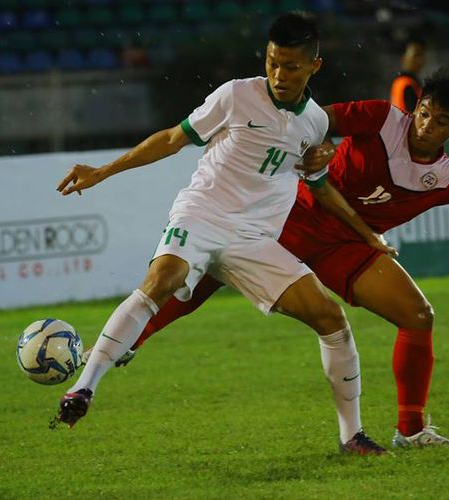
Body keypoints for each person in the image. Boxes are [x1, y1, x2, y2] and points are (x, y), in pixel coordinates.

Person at [103, 70, 449, 448]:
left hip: (349, 246)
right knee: (205, 274)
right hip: (291, 216)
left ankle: (412, 430)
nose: (426, 124)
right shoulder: (380, 117)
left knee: (417, 316)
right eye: (424, 112)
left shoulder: (445, 175)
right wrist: (316, 147)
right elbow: (316, 119)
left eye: (441, 121)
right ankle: (130, 340)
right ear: (415, 106)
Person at [53, 11, 390, 456]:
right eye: (272, 62)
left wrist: (367, 234)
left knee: (331, 318)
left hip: (254, 240)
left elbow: (319, 184)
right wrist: (104, 171)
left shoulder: (315, 123)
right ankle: (83, 389)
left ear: (314, 67)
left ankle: (353, 437)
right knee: (162, 280)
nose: (279, 75)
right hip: (204, 212)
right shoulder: (236, 95)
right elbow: (174, 138)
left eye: (290, 66)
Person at [389, 37, 426, 113]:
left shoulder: (403, 81)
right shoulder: (406, 83)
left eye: (422, 55)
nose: (419, 61)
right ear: (403, 58)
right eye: (415, 55)